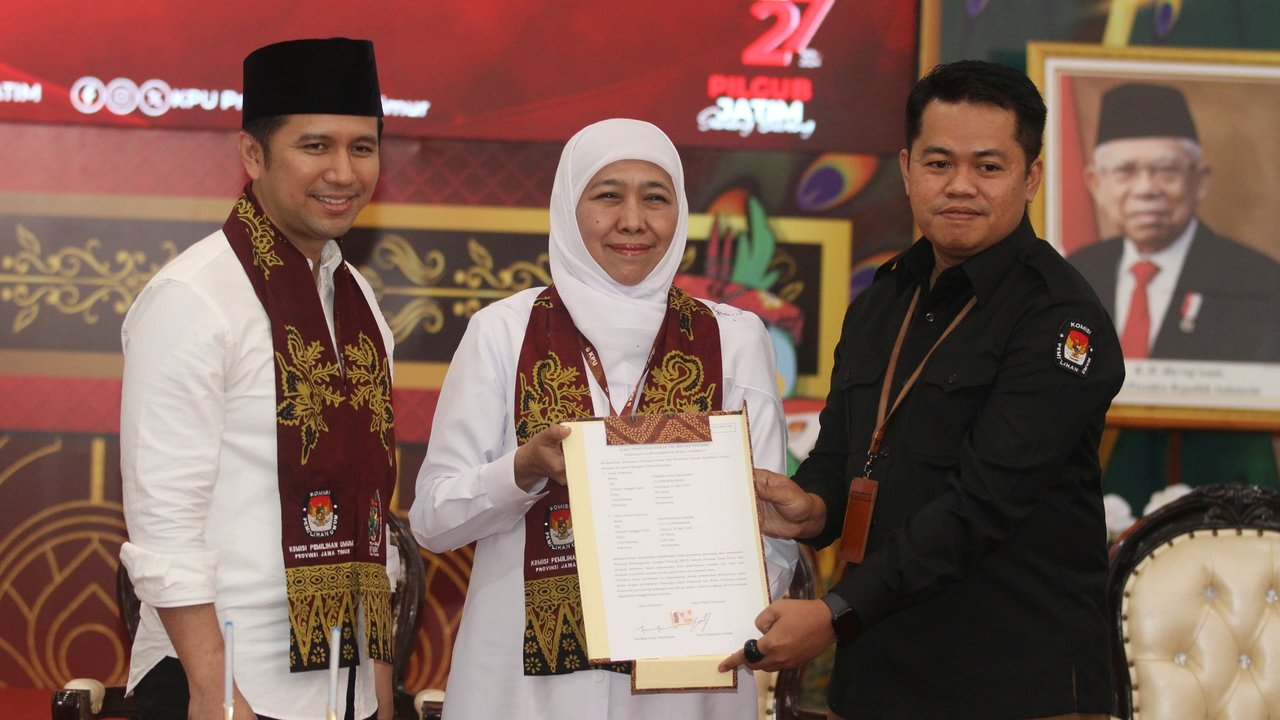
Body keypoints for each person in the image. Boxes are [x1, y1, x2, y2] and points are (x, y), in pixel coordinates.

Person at [719, 61, 1125, 718]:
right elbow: (845, 449)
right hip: (877, 677)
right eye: (939, 163)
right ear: (908, 170)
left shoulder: (1059, 318)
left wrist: (834, 614)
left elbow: (981, 506)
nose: (960, 185)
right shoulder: (883, 299)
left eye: (988, 166)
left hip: (1015, 685)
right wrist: (814, 507)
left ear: (1031, 177)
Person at [409, 118, 797, 719]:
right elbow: (433, 520)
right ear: (569, 206)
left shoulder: (733, 338)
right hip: (522, 691)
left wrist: (720, 604)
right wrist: (521, 470)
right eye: (608, 195)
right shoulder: (504, 332)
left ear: (681, 211)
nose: (633, 220)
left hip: (684, 689)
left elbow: (769, 529)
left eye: (656, 197)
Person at [119, 38, 398, 720]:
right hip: (223, 683)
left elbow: (372, 511)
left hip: (346, 686)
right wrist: (216, 694)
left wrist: (380, 693)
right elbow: (165, 522)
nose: (343, 172)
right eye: (315, 146)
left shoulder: (358, 302)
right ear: (252, 154)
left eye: (362, 148)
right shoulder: (194, 298)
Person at [1069, 81, 1280, 361]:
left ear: (1199, 181)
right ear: (1095, 184)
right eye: (1125, 171)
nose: (1145, 189)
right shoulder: (1075, 273)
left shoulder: (1260, 282)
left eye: (1166, 170)